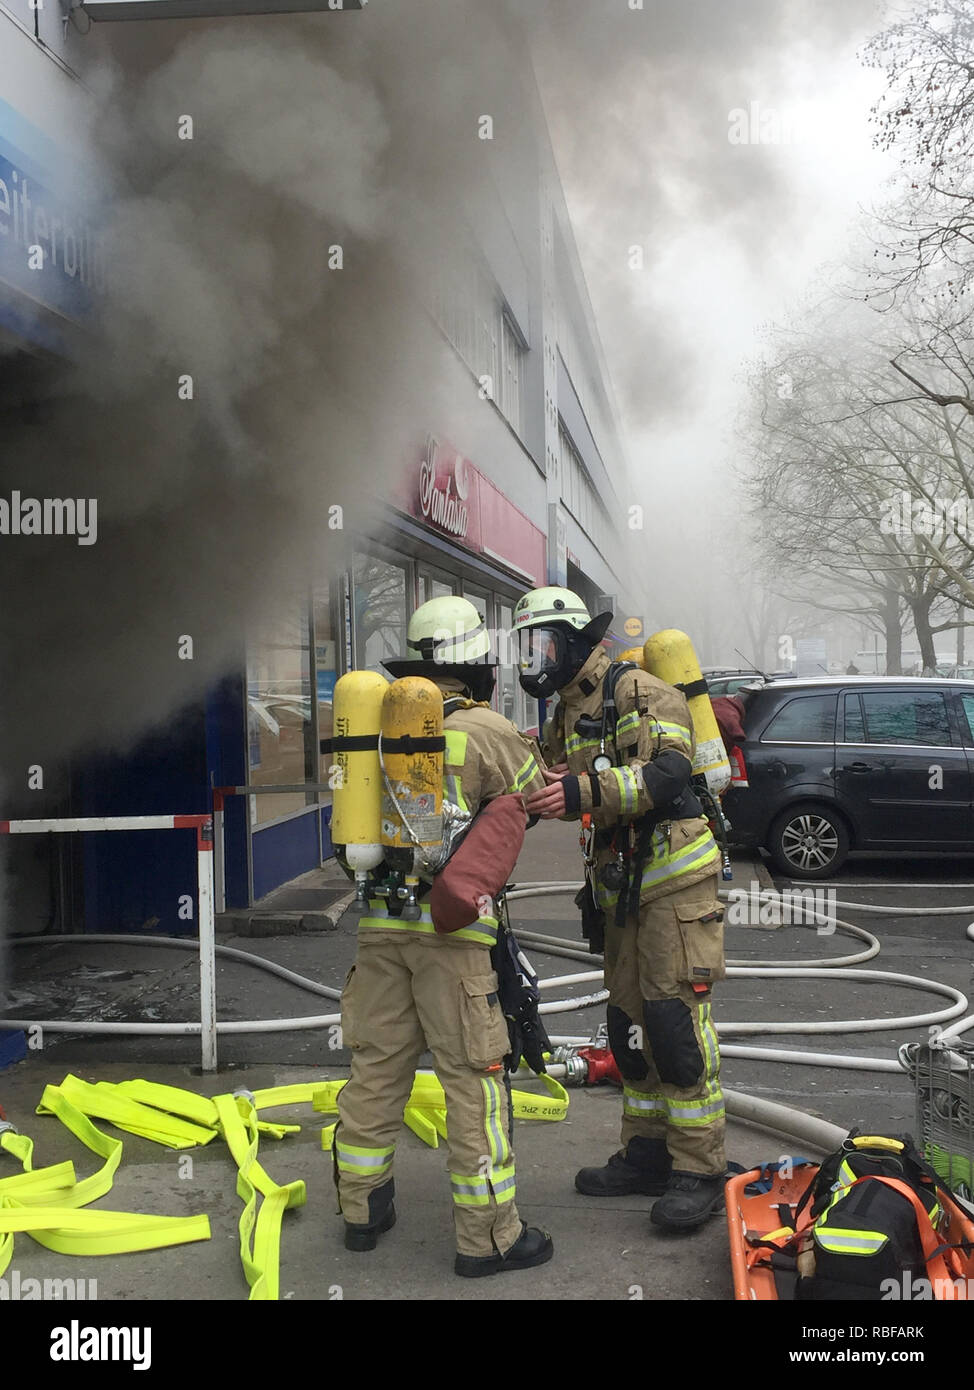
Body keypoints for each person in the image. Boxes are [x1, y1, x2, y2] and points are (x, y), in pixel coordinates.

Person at [333, 594, 554, 1277]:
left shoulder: (373, 728)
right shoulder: (491, 730)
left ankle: (361, 1210)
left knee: (375, 1070)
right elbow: (535, 799)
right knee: (473, 1079)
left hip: (378, 926)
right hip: (453, 933)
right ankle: (488, 1240)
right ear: (478, 667)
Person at [514, 585, 727, 1232]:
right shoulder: (564, 714)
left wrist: (584, 790)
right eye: (527, 645)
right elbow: (538, 777)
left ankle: (700, 1169)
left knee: (675, 1026)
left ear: (577, 642)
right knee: (629, 1028)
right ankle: (647, 1153)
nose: (535, 657)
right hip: (622, 887)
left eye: (543, 643)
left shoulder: (640, 692)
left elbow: (668, 772)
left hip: (675, 881)